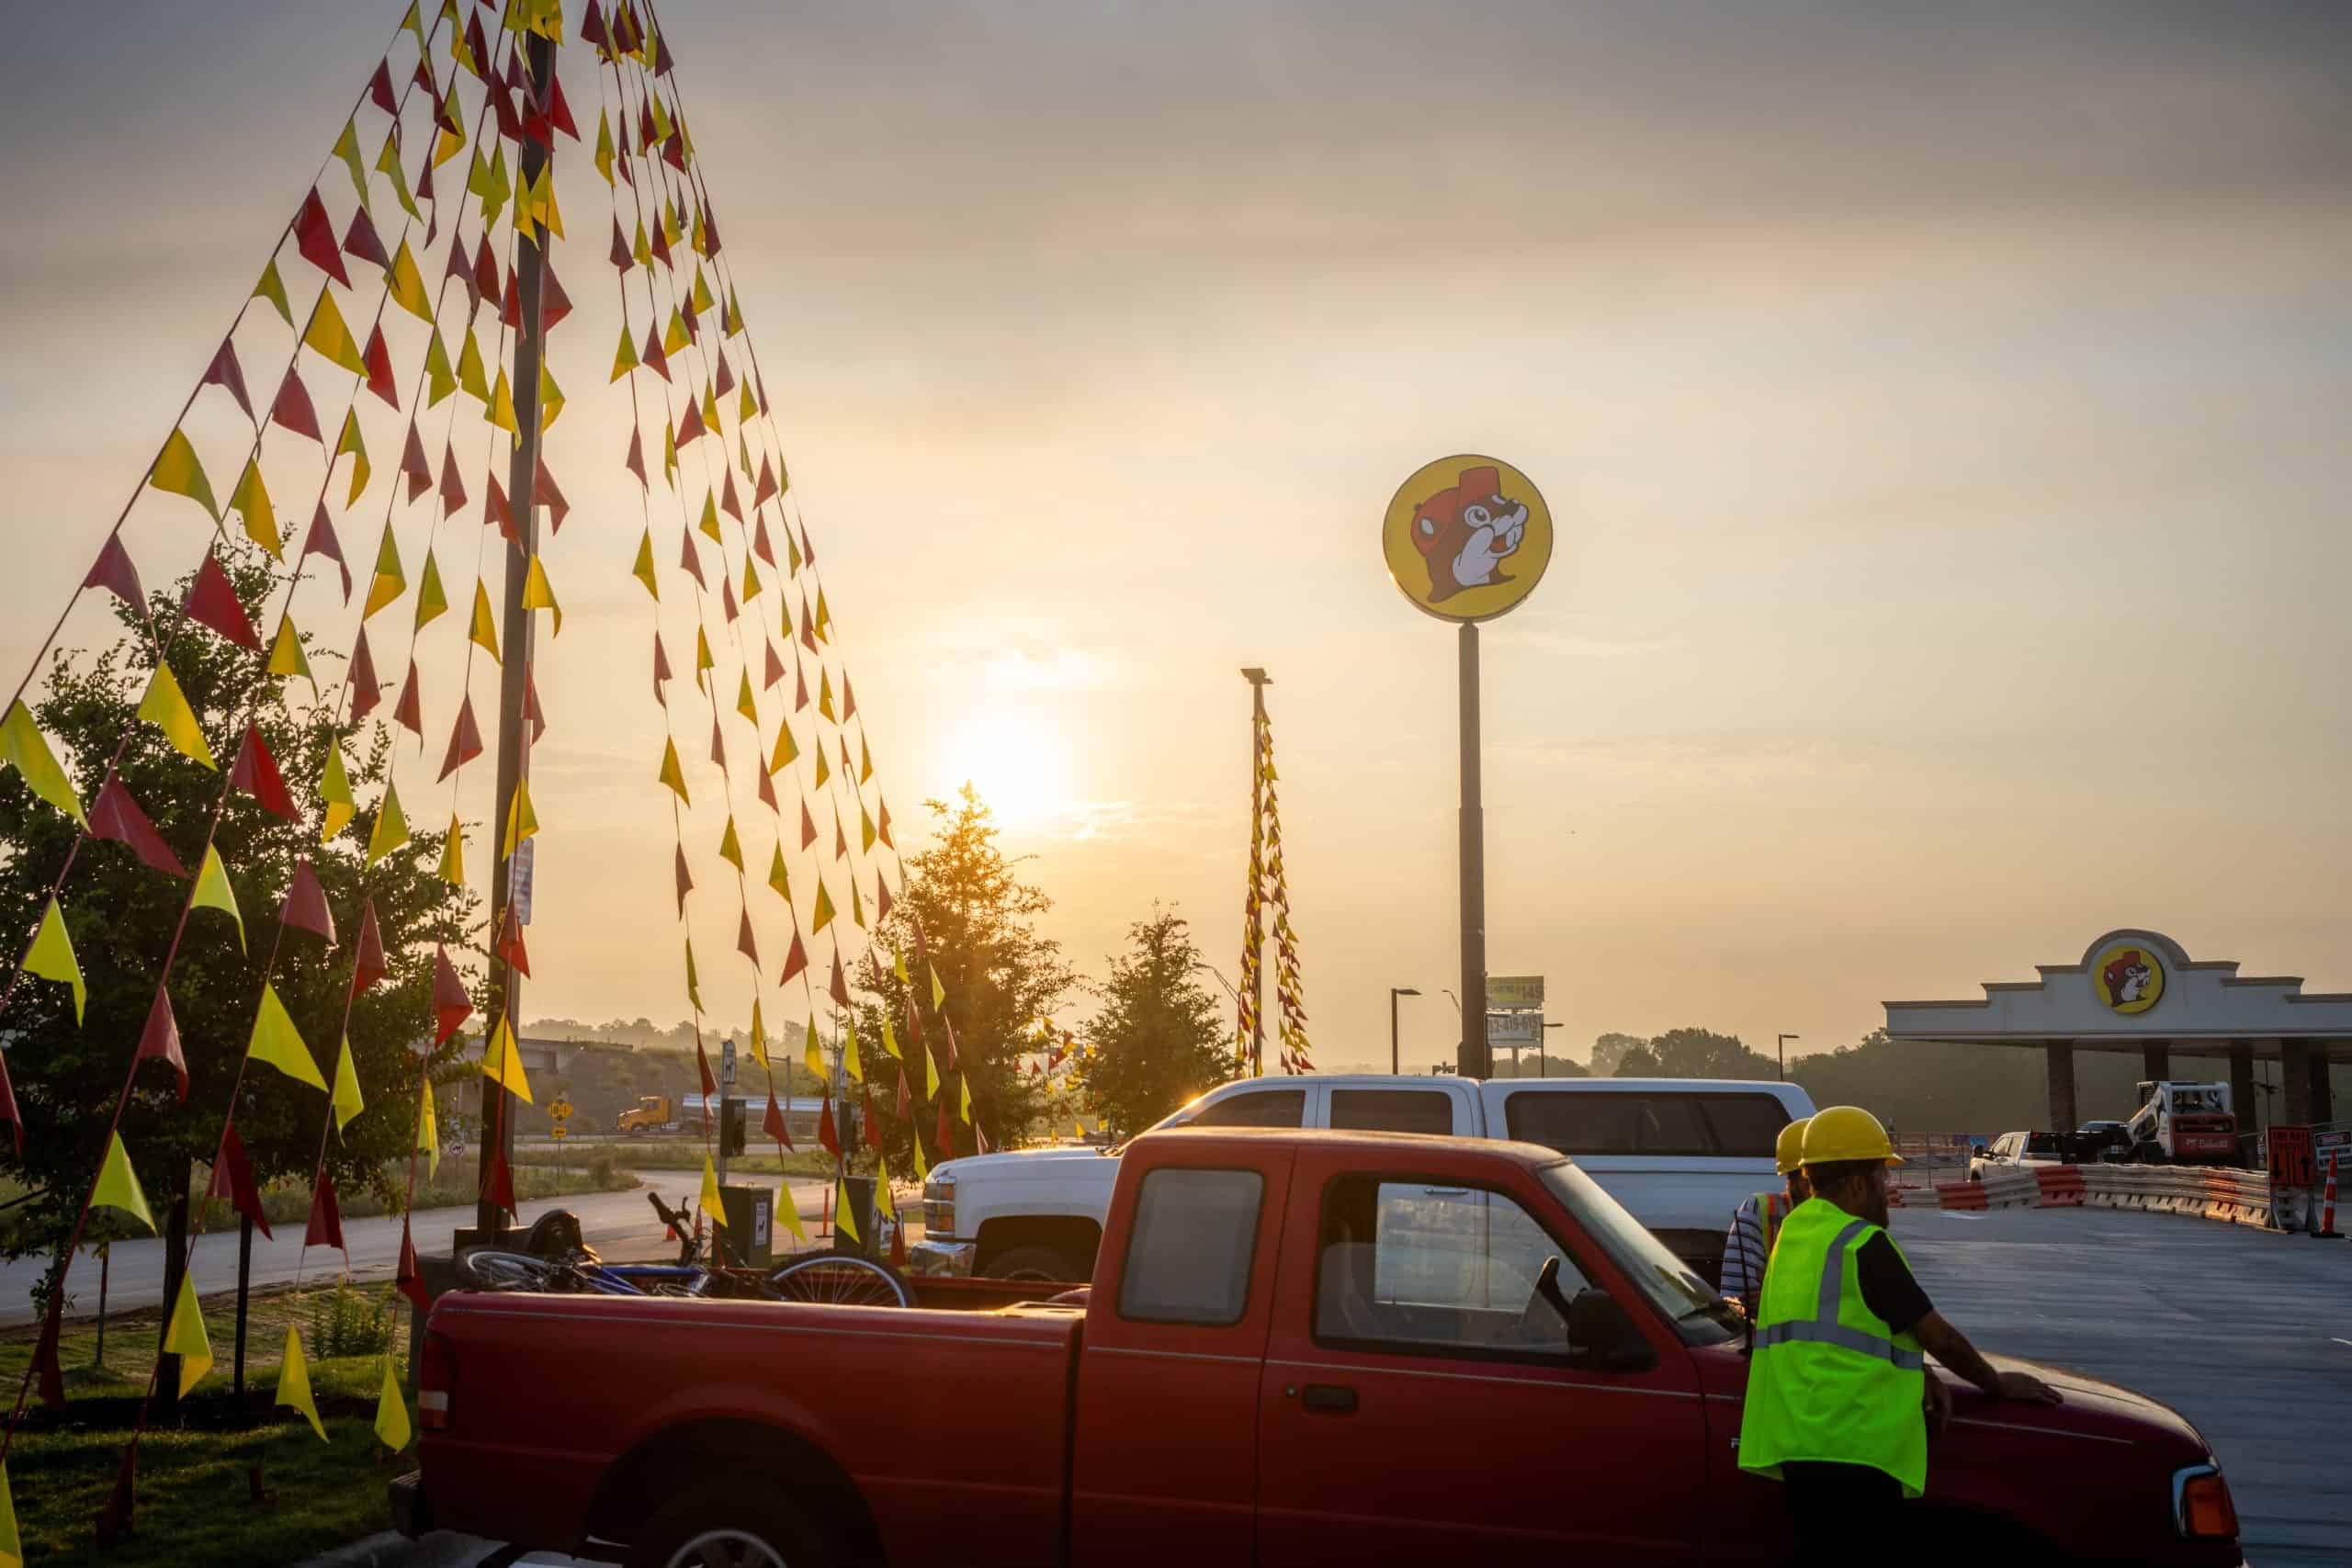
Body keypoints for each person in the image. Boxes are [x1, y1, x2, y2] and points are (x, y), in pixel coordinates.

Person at [1738, 1105, 2062, 1550]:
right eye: (1881, 1177)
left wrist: (1920, 1373)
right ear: (1856, 1183)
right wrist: (1995, 1383)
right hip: (1857, 1450)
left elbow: (1839, 1333)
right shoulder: (1862, 1243)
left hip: (1797, 1446)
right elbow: (1937, 1336)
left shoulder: (1792, 1237)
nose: (1887, 1189)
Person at [1720, 1116, 1811, 1311]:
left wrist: (1776, 1296)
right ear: (1804, 1179)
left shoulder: (1853, 1223)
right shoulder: (1761, 1211)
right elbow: (1737, 1301)